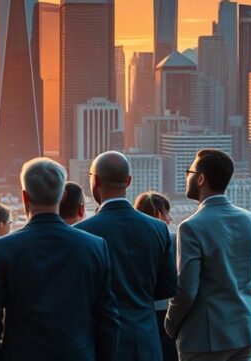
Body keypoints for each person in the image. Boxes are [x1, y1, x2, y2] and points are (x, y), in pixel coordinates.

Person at [0, 158, 119, 360]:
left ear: (24, 197)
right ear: (63, 195)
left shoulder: (3, 249)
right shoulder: (94, 246)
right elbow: (108, 319)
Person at [75, 152, 177, 360]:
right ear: (129, 181)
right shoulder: (159, 229)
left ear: (94, 181)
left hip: (102, 344)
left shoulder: (81, 232)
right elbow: (168, 287)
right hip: (147, 342)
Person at [164, 149, 251, 361]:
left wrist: (170, 323)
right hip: (244, 333)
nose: (187, 176)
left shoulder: (191, 227)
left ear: (201, 179)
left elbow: (187, 290)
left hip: (204, 338)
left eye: (189, 171)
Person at [134, 191, 178, 361]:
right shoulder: (172, 239)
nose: (169, 219)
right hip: (166, 313)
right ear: (158, 214)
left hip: (138, 313)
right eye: (167, 213)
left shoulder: (133, 240)